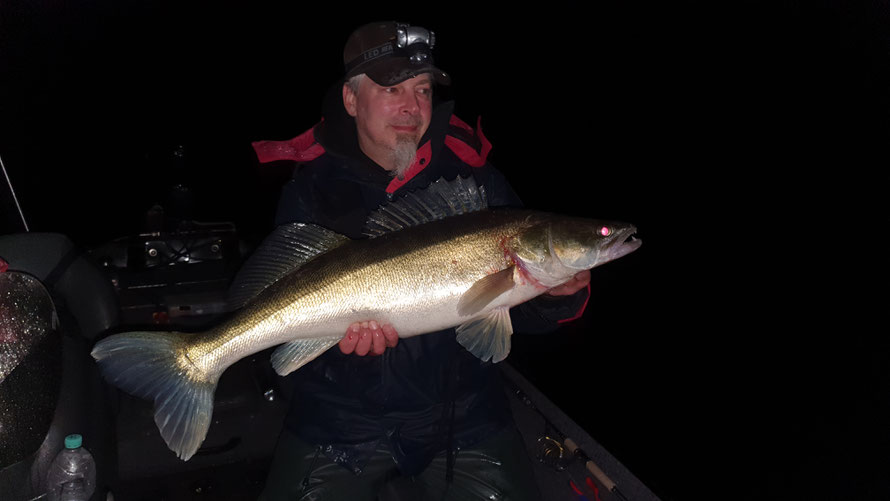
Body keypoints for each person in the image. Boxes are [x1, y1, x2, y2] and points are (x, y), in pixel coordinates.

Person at [252, 21, 591, 501]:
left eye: (423, 89)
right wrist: (332, 346)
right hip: (338, 418)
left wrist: (556, 297)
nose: (412, 107)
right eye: (392, 89)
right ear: (352, 101)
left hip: (465, 415)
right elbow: (283, 308)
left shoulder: (478, 185)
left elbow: (527, 316)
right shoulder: (310, 190)